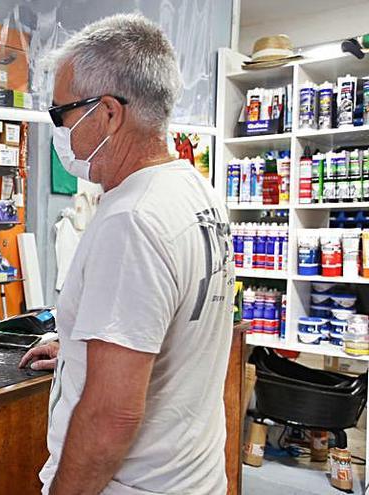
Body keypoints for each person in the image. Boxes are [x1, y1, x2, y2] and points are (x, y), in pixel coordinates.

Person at [19, 13, 234, 495]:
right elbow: (169, 332)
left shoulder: (132, 219)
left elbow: (111, 413)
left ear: (110, 113)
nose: (58, 130)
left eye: (61, 115)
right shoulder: (197, 193)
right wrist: (83, 349)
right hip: (193, 478)